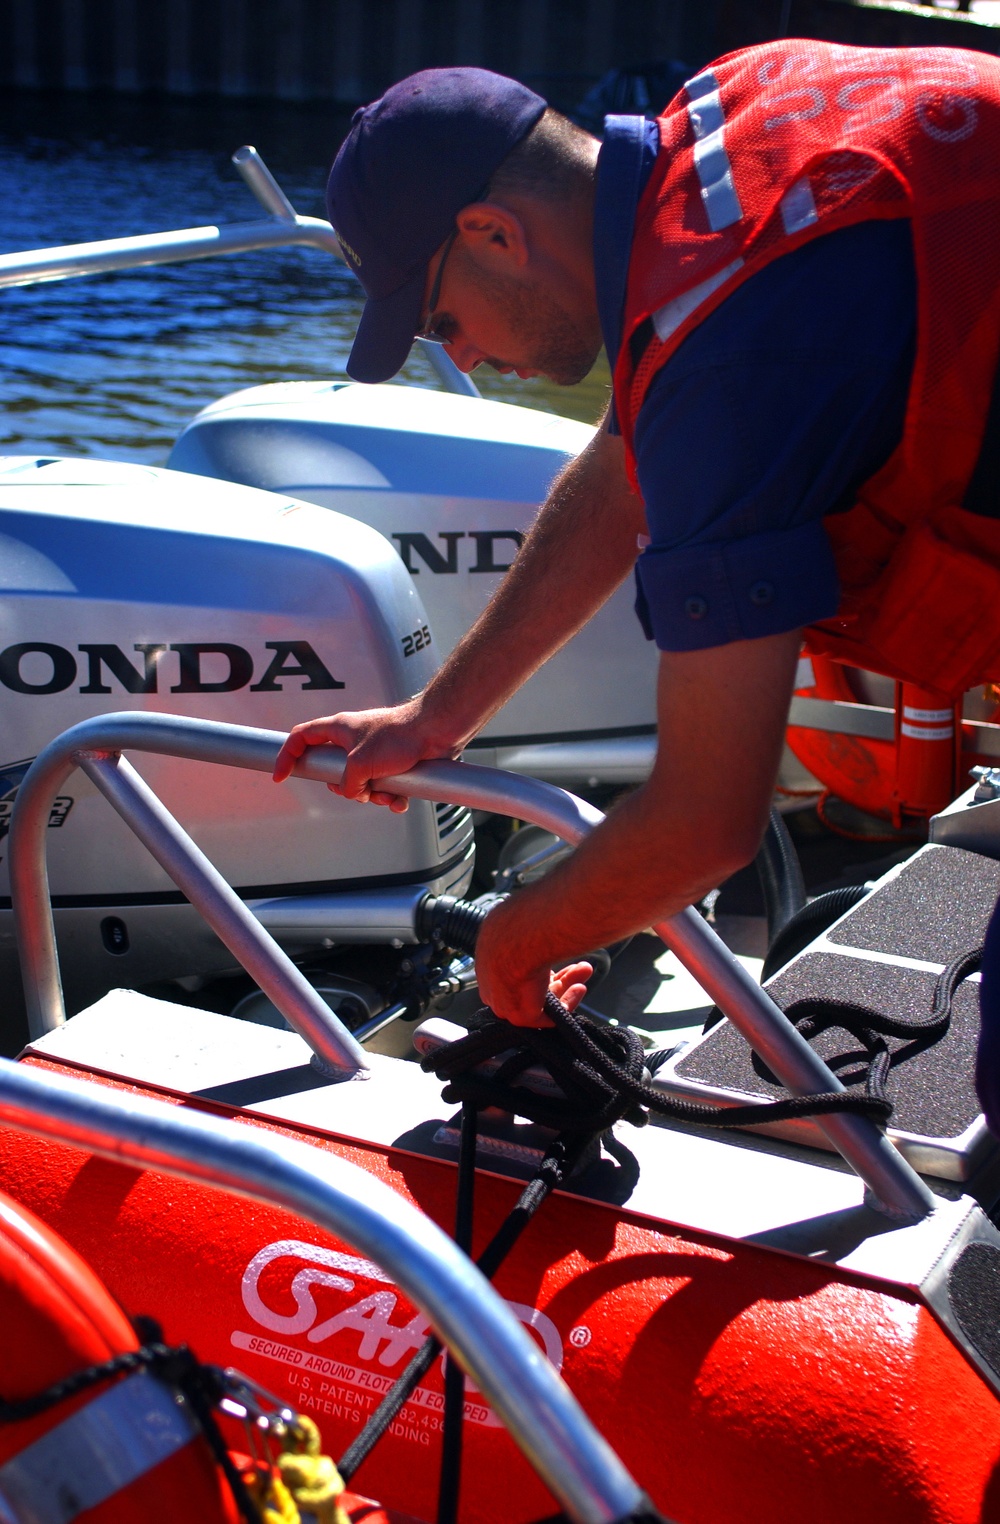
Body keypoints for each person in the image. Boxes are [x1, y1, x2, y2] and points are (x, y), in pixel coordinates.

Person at [274, 44, 1000, 1028]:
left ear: (492, 232)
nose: (466, 357)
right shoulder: (728, 110)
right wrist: (437, 718)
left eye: (443, 320)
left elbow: (706, 824)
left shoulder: (729, 373)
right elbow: (624, 467)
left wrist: (512, 947)